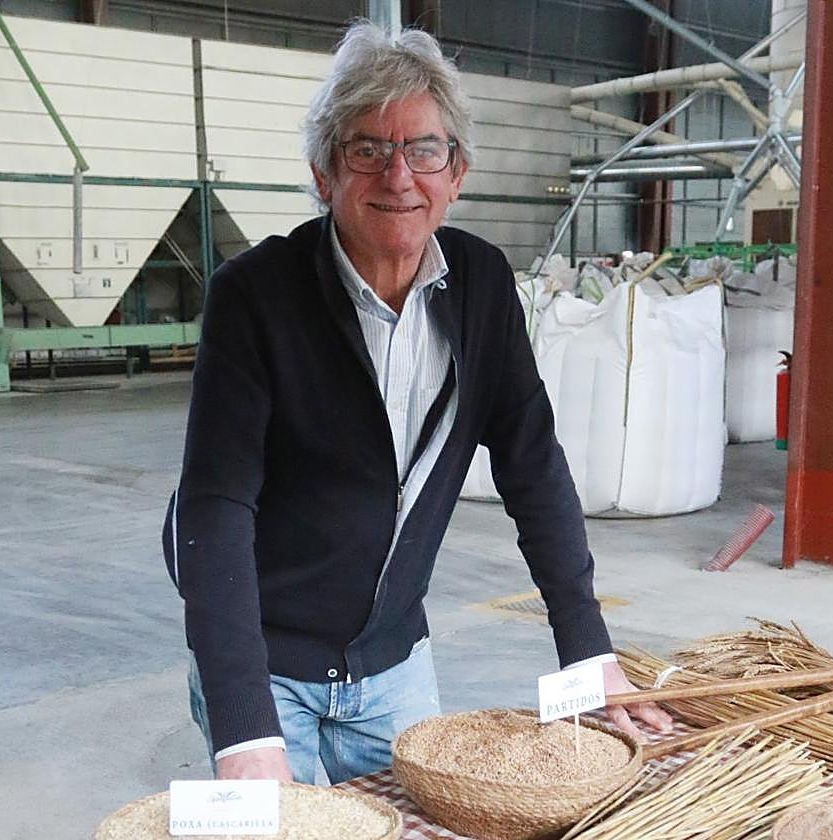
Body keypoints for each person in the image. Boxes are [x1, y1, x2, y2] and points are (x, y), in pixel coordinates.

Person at [163, 20, 671, 786]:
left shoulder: (482, 285)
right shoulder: (256, 297)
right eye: (367, 149)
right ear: (324, 173)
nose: (399, 176)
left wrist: (587, 649)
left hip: (393, 661)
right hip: (268, 660)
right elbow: (216, 506)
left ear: (456, 172)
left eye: (424, 150)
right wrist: (243, 729)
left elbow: (532, 466)